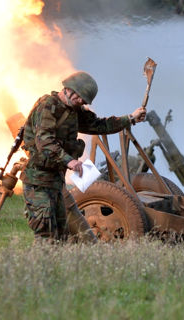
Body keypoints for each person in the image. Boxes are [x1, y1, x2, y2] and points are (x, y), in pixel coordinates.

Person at [20, 71, 147, 242]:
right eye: (80, 97)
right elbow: (44, 142)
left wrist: (130, 118)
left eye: (84, 100)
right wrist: (69, 161)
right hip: (38, 181)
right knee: (45, 233)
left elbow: (99, 125)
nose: (81, 102)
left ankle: (56, 267)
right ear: (69, 90)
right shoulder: (48, 106)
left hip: (55, 180)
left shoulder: (75, 111)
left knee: (62, 234)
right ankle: (39, 267)